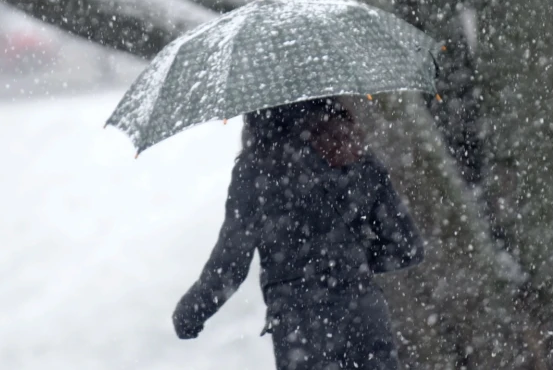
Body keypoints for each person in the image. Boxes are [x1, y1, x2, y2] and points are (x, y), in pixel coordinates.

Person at [172, 96, 425, 370]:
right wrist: (352, 260)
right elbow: (408, 248)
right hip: (364, 317)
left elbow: (231, 263)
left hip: (302, 330)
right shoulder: (353, 152)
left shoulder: (256, 169)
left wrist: (189, 314)